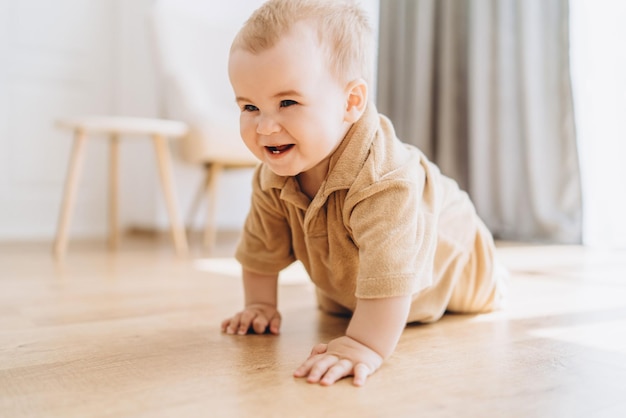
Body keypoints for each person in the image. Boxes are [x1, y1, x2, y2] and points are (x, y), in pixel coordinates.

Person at [221, 0, 507, 387]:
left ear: (351, 102)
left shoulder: (384, 179)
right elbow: (260, 250)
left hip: (457, 266)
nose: (265, 127)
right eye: (250, 106)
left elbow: (390, 274)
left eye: (287, 102)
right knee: (349, 297)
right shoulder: (272, 177)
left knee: (471, 294)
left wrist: (363, 345)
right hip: (351, 287)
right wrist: (259, 305)